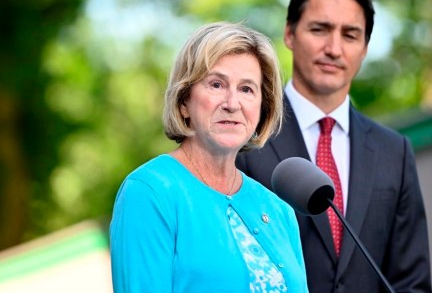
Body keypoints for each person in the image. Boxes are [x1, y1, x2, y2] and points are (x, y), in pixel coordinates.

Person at [236, 0, 432, 292]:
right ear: (289, 33)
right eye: (319, 29)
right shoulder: (246, 136)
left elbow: (411, 281)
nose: (334, 48)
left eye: (350, 35)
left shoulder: (394, 152)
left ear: (365, 48)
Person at [109, 21, 309, 292]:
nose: (232, 103)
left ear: (263, 107)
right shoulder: (150, 192)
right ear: (184, 102)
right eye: (216, 84)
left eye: (247, 89)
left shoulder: (278, 210)